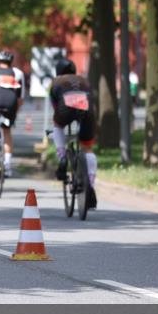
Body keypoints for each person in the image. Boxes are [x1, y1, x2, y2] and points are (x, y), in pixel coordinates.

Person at [50, 59, 97, 209]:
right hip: (87, 108)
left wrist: (63, 117)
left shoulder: (56, 81)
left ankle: (62, 156)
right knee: (87, 147)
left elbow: (55, 105)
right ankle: (90, 183)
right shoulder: (84, 80)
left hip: (65, 106)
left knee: (57, 125)